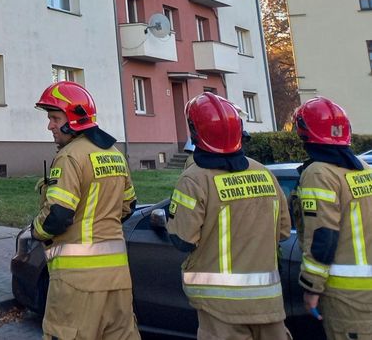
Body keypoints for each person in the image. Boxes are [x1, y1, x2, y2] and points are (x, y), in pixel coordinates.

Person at [167, 93, 290, 340]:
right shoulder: (263, 172)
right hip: (269, 302)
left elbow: (182, 239)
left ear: (195, 131)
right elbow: (284, 231)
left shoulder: (195, 178)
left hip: (219, 307)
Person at [33, 81, 140, 340]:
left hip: (77, 284)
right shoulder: (115, 154)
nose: (50, 126)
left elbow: (58, 216)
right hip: (118, 281)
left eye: (55, 118)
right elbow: (129, 206)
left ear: (74, 120)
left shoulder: (69, 157)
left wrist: (35, 231)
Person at [291, 96, 372, 340]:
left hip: (347, 296)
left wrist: (312, 287)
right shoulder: (363, 168)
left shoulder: (319, 174)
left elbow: (323, 236)